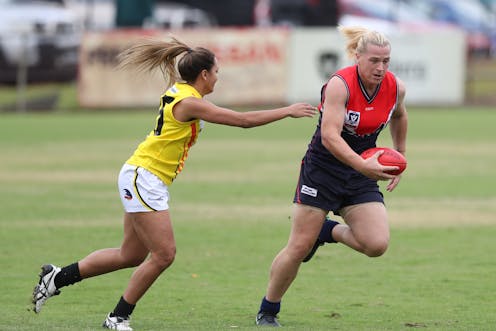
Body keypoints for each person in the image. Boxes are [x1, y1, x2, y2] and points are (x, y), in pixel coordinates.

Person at [31, 37, 317, 331]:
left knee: (130, 255)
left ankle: (57, 277)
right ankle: (117, 318)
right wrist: (286, 110)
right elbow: (242, 121)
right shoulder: (189, 101)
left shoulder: (183, 92)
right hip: (144, 178)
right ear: (204, 74)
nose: (219, 76)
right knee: (164, 254)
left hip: (142, 176)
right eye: (216, 71)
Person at [255, 26, 408, 327]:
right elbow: (330, 137)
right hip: (323, 170)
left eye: (386, 61)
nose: (380, 68)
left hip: (362, 169)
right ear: (357, 57)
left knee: (376, 244)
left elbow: (400, 115)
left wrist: (400, 155)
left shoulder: (395, 87)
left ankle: (326, 231)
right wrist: (362, 166)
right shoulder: (340, 85)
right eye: (374, 61)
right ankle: (268, 310)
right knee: (298, 246)